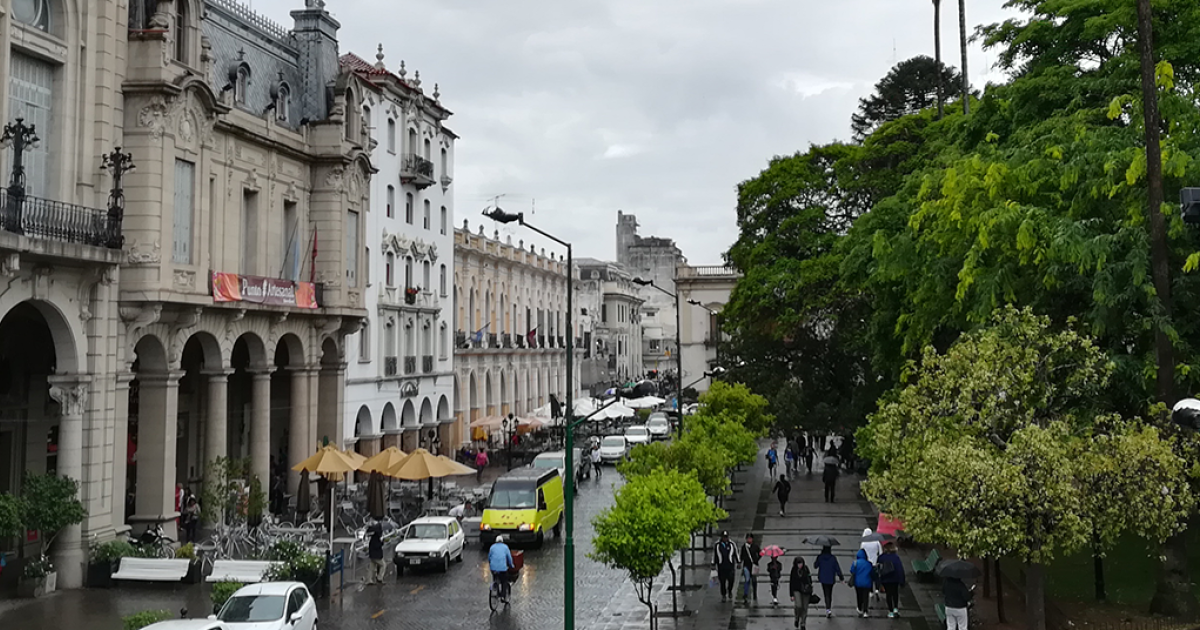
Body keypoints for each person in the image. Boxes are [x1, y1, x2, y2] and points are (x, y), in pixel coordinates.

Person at [877, 542, 906, 617]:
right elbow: (900, 569)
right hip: (895, 579)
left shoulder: (881, 558)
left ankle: (890, 611)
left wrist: (879, 582)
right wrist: (902, 580)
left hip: (886, 579)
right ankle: (896, 607)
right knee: (895, 593)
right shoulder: (896, 557)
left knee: (888, 594)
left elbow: (879, 570)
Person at [813, 546, 842, 618]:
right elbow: (837, 568)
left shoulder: (820, 557)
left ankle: (828, 609)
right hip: (831, 578)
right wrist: (841, 577)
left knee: (826, 593)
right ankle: (828, 608)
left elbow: (815, 566)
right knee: (829, 593)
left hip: (823, 578)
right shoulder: (833, 558)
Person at [789, 557, 814, 629]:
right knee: (798, 605)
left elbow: (810, 579)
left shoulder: (806, 569)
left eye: (801, 563)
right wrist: (791, 594)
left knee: (805, 608)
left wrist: (809, 586)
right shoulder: (794, 570)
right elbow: (791, 582)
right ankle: (797, 617)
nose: (800, 565)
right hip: (797, 590)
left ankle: (803, 623)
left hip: (806, 591)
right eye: (798, 563)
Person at [488, 535, 515, 602]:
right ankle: (503, 596)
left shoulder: (492, 547)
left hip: (493, 568)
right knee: (504, 581)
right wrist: (511, 565)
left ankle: (495, 587)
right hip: (503, 569)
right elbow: (509, 558)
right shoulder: (505, 547)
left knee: (495, 577)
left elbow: (489, 558)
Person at [713, 530, 737, 602]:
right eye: (724, 537)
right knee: (722, 582)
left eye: (726, 537)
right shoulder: (717, 545)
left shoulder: (732, 544)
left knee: (731, 580)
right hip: (721, 566)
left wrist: (738, 562)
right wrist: (713, 563)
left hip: (730, 566)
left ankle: (729, 590)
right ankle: (723, 594)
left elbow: (736, 552)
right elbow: (714, 555)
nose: (725, 539)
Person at [849, 549, 874, 618]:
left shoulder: (855, 563)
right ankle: (865, 611)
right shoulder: (869, 564)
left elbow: (852, 571)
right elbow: (872, 573)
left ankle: (860, 608)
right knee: (866, 597)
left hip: (858, 583)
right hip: (867, 583)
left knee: (859, 596)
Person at [860, 529, 883, 598]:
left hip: (867, 563)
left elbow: (861, 553)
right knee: (877, 577)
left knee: (869, 578)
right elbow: (881, 552)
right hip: (875, 562)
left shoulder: (863, 543)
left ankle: (871, 591)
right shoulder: (876, 542)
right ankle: (877, 589)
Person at [740, 533, 761, 604]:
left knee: (754, 580)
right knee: (747, 580)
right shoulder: (744, 547)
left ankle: (754, 593)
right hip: (746, 566)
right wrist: (740, 562)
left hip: (754, 566)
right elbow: (741, 556)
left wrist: (756, 559)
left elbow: (760, 553)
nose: (749, 539)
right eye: (748, 538)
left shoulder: (755, 546)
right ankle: (745, 594)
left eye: (750, 538)